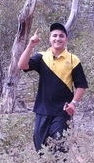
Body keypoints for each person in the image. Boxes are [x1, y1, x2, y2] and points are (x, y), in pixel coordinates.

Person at [18, 22, 88, 153]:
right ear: (50, 39)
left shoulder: (73, 60)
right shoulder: (42, 57)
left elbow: (81, 85)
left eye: (61, 36)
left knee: (60, 146)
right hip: (42, 110)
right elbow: (22, 65)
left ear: (66, 40)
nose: (58, 38)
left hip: (62, 112)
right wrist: (30, 45)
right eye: (54, 35)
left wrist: (73, 104)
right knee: (41, 148)